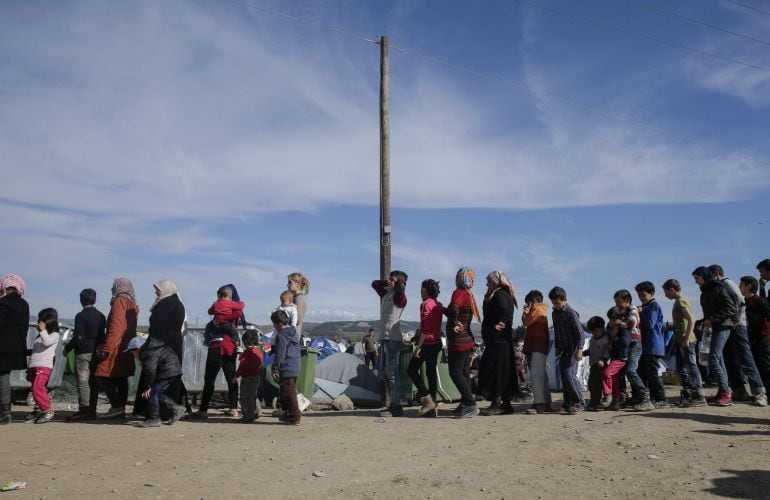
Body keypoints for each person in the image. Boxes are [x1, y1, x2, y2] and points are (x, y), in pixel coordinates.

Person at [709, 264, 767, 406]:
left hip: (738, 325)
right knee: (729, 359)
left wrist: (734, 320)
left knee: (745, 359)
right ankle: (739, 390)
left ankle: (760, 392)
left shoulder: (727, 283)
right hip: (727, 326)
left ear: (716, 273)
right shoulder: (718, 286)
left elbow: (739, 300)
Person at [133, 280, 187, 419]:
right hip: (171, 344)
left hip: (161, 344)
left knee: (155, 376)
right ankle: (166, 411)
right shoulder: (175, 303)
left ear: (166, 289)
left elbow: (158, 326)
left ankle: (154, 412)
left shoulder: (166, 304)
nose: (156, 292)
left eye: (158, 289)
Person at [193, 284, 244, 419]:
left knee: (209, 379)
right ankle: (233, 408)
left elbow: (209, 329)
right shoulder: (232, 314)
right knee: (231, 378)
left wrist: (220, 319)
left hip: (215, 348)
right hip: (229, 348)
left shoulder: (213, 321)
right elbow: (239, 311)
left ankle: (203, 410)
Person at [95, 278, 139, 419]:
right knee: (121, 377)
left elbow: (116, 326)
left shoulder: (120, 302)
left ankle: (116, 406)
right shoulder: (131, 303)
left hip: (116, 346)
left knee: (101, 375)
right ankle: (120, 408)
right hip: (127, 346)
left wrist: (107, 347)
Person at [478, 271, 517, 416]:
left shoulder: (500, 295)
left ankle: (497, 403)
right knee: (503, 372)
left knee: (493, 371)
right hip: (501, 341)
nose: (487, 284)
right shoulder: (502, 294)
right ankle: (506, 404)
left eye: (489, 281)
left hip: (498, 341)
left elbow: (501, 309)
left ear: (496, 282)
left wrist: (498, 323)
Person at [64, 289, 106, 421]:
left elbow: (78, 337)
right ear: (94, 300)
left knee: (82, 382)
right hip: (96, 352)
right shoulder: (101, 316)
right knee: (93, 382)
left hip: (83, 352)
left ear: (81, 300)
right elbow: (102, 336)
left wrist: (67, 348)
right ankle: (92, 410)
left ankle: (84, 410)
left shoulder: (80, 316)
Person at [662, 279, 706, 407]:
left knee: (691, 367)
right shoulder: (677, 302)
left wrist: (686, 338)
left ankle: (699, 395)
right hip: (679, 339)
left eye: (666, 292)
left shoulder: (681, 301)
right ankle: (688, 393)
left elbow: (691, 320)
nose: (665, 295)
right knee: (681, 368)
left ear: (672, 290)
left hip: (686, 340)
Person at [444, 267, 480, 418]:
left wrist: (451, 318)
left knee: (455, 373)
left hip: (458, 341)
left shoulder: (459, 293)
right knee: (464, 373)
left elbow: (453, 309)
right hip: (468, 340)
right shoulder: (469, 295)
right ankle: (467, 401)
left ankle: (470, 403)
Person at [126, 336, 185, 428]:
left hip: (168, 371)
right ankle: (176, 408)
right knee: (157, 393)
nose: (132, 354)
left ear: (137, 349)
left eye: (131, 351)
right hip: (173, 370)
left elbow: (150, 371)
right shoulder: (152, 346)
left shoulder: (148, 352)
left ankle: (154, 419)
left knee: (151, 393)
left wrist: (148, 387)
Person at [372, 270, 408, 418]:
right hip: (384, 338)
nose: (389, 282)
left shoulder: (399, 298)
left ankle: (397, 406)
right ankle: (392, 403)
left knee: (392, 374)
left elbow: (400, 291)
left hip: (393, 339)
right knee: (383, 373)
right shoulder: (386, 294)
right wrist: (389, 282)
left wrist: (399, 282)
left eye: (392, 280)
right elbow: (374, 284)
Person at [407, 279, 443, 417]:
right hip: (437, 342)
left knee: (411, 370)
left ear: (424, 290)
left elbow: (425, 329)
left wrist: (418, 347)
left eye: (421, 288)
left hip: (427, 343)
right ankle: (433, 405)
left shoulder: (425, 304)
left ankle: (427, 400)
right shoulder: (438, 304)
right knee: (431, 372)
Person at [549, 286, 585, 414]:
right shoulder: (555, 313)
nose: (555, 305)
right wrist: (557, 349)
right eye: (553, 302)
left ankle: (579, 402)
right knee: (564, 375)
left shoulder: (571, 313)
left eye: (557, 302)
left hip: (573, 347)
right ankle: (568, 402)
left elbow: (580, 333)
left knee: (569, 374)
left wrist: (580, 349)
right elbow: (558, 332)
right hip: (563, 348)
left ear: (563, 299)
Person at [0, 274, 30, 425]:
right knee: (4, 375)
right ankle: (5, 410)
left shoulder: (3, 303)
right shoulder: (24, 304)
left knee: (2, 375)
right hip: (17, 345)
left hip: (3, 346)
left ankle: (5, 411)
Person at [633, 281, 668, 411]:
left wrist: (641, 312)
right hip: (645, 346)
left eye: (643, 295)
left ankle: (661, 400)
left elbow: (650, 323)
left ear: (651, 293)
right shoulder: (647, 306)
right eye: (639, 295)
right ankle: (647, 398)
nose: (641, 298)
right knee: (642, 373)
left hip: (653, 346)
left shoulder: (653, 306)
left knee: (653, 374)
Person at [26, 308, 61, 424]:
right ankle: (37, 410)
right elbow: (38, 349)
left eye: (41, 319)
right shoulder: (40, 335)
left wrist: (42, 330)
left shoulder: (54, 334)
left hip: (44, 366)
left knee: (38, 388)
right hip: (34, 365)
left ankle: (47, 411)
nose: (39, 322)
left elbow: (47, 342)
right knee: (35, 389)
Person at [522, 290, 551, 414]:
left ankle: (539, 403)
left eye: (528, 303)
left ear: (533, 301)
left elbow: (526, 321)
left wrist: (527, 310)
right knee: (541, 376)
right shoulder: (540, 310)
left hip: (537, 346)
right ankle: (546, 402)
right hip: (537, 347)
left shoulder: (538, 310)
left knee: (536, 376)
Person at [612, 290, 642, 408]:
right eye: (616, 302)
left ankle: (644, 396)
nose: (617, 304)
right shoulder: (620, 311)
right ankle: (623, 396)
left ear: (627, 301)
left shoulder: (632, 310)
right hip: (625, 344)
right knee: (621, 371)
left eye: (619, 301)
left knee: (631, 370)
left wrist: (619, 324)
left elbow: (632, 322)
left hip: (634, 343)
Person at [271, 310, 301, 425]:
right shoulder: (294, 331)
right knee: (286, 391)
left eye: (274, 324)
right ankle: (288, 414)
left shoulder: (282, 334)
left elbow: (280, 353)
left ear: (278, 324)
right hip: (295, 364)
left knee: (289, 393)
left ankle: (295, 416)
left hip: (286, 366)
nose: (274, 326)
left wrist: (275, 367)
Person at [740, 276, 770, 391]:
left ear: (749, 286)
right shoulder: (743, 302)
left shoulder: (759, 300)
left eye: (741, 285)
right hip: (751, 339)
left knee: (766, 366)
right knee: (757, 366)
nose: (739, 287)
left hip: (763, 338)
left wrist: (768, 336)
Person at [602, 307, 630, 411]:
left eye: (614, 319)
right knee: (615, 379)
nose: (611, 322)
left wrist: (613, 340)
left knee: (606, 373)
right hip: (614, 357)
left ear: (621, 318)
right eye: (610, 319)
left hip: (621, 358)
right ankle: (616, 402)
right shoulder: (610, 327)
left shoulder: (624, 329)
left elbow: (625, 343)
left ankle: (608, 394)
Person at [233, 330, 263, 423]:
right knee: (253, 395)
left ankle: (248, 416)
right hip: (256, 377)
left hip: (247, 378)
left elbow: (243, 365)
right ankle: (258, 411)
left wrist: (236, 376)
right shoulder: (258, 351)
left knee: (245, 396)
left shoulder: (248, 352)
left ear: (245, 341)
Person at [584, 316, 609, 411]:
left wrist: (603, 360)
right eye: (593, 332)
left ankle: (595, 403)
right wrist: (584, 353)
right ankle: (594, 401)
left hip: (601, 366)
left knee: (596, 385)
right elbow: (591, 350)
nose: (594, 333)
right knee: (591, 384)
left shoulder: (606, 340)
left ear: (603, 328)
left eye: (596, 331)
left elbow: (607, 352)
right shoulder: (593, 339)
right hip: (593, 365)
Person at [287, 272, 310, 337]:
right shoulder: (297, 298)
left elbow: (297, 319)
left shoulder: (298, 299)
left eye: (290, 282)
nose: (287, 285)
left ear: (297, 284)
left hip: (292, 336)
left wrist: (282, 317)